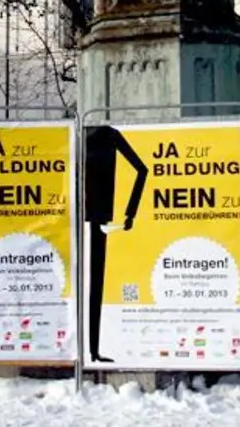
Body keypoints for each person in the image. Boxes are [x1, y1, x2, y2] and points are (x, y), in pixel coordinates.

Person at [82, 123, 147, 364]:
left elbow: (141, 169)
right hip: (98, 215)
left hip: (89, 216)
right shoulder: (106, 134)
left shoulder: (80, 133)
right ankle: (91, 350)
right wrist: (129, 214)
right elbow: (141, 170)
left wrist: (129, 213)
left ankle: (91, 350)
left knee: (91, 284)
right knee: (92, 283)